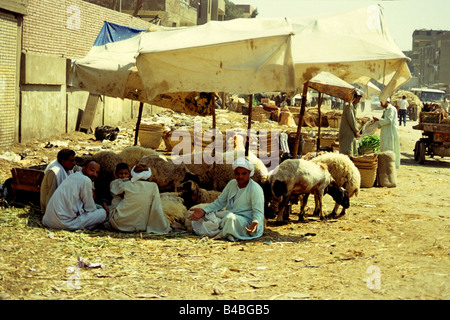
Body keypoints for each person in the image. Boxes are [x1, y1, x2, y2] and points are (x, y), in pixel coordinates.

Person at [188, 157, 264, 241]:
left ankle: (222, 231)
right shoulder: (231, 184)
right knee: (207, 215)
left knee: (230, 219)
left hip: (246, 221)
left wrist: (255, 222)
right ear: (234, 173)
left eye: (244, 173)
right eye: (237, 173)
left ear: (249, 173)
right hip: (230, 214)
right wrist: (204, 211)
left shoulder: (255, 189)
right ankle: (223, 230)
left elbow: (258, 211)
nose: (240, 176)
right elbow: (219, 202)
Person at [42, 160, 107, 231]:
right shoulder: (86, 180)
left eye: (97, 172)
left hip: (48, 221)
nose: (94, 174)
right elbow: (90, 208)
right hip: (63, 223)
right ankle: (86, 227)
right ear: (84, 169)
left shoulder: (74, 176)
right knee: (102, 213)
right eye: (92, 170)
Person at [108, 164, 171, 234]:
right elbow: (156, 207)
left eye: (126, 173)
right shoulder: (153, 186)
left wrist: (126, 180)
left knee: (117, 196)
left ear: (131, 174)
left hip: (119, 225)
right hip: (141, 226)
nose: (123, 175)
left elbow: (113, 188)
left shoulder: (126, 184)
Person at [40, 148, 76, 213]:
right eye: (72, 161)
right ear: (63, 161)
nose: (74, 163)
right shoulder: (54, 172)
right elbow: (51, 195)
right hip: (52, 209)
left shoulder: (68, 169)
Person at [374, 98, 401, 169]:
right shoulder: (386, 110)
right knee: (385, 147)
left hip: (390, 132)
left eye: (381, 103)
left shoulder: (391, 109)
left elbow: (389, 120)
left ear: (386, 102)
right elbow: (383, 121)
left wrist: (378, 120)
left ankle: (391, 165)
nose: (380, 105)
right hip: (386, 132)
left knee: (390, 148)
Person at [339, 90, 362, 157]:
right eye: (358, 99)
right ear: (354, 98)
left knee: (351, 147)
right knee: (347, 150)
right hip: (347, 132)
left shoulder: (352, 106)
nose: (359, 101)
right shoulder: (349, 106)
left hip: (349, 131)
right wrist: (356, 131)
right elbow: (351, 120)